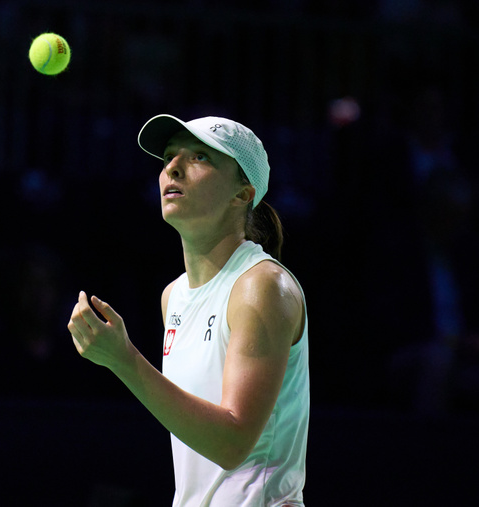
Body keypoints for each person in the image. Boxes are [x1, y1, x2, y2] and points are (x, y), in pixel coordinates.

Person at [68, 115, 310, 506]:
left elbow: (232, 443)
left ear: (242, 193)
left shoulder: (260, 286)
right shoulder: (173, 297)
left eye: (199, 157)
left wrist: (124, 360)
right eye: (167, 157)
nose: (173, 168)